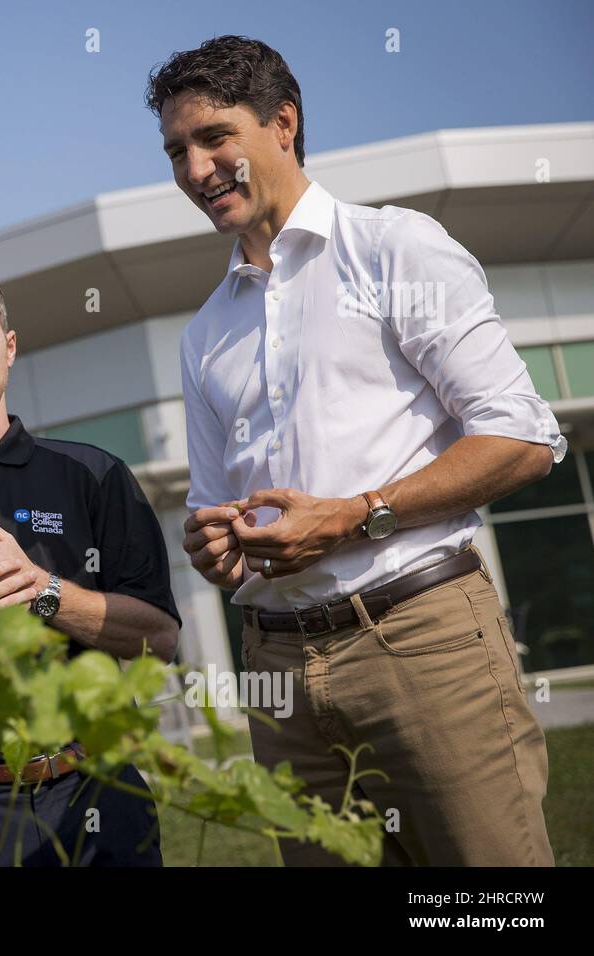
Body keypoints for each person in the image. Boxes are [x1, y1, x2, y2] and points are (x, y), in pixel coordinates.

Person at [150, 36, 564, 865]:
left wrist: (353, 516)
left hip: (421, 640)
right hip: (274, 667)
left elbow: (523, 437)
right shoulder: (204, 335)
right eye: (176, 152)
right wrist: (215, 545)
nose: (196, 170)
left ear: (284, 123)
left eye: (214, 138)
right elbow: (216, 528)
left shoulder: (395, 249)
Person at [0, 269, 182, 866]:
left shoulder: (91, 475)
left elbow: (159, 640)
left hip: (98, 790)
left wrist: (43, 591)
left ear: (10, 346)